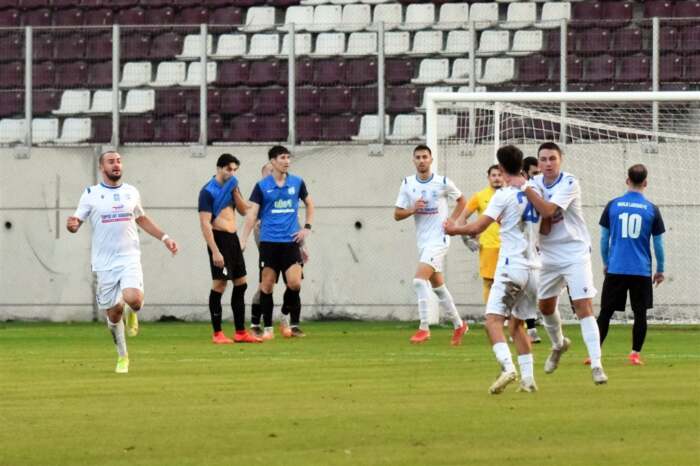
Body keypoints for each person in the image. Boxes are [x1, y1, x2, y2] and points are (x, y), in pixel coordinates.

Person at [67, 151, 178, 373]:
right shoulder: (90, 194)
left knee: (134, 299)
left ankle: (132, 311)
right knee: (113, 313)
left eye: (118, 161)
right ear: (102, 167)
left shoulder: (131, 192)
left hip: (129, 257)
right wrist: (72, 225)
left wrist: (165, 237)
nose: (116, 165)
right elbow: (76, 221)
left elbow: (141, 218)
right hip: (104, 263)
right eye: (111, 162)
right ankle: (123, 356)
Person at [510, 142, 608, 385]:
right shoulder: (534, 184)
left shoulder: (569, 182)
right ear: (538, 163)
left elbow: (547, 210)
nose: (548, 163)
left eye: (552, 158)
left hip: (574, 251)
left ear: (560, 159)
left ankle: (597, 365)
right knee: (545, 307)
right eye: (543, 159)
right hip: (547, 254)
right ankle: (558, 345)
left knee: (583, 305)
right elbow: (542, 222)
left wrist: (526, 188)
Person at [445, 145, 540, 394]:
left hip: (512, 267)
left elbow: (477, 228)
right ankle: (529, 380)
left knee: (492, 321)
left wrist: (454, 230)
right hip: (535, 269)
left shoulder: (503, 195)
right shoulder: (535, 192)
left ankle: (508, 368)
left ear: (500, 167)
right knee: (516, 325)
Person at [394, 144, 468, 345]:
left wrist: (452, 221)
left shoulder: (442, 182)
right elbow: (397, 214)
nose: (421, 160)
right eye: (418, 157)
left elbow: (462, 200)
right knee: (438, 287)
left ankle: (424, 327)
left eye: (425, 157)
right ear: (413, 160)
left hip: (439, 239)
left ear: (431, 159)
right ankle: (459, 324)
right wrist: (412, 209)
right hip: (423, 242)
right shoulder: (407, 183)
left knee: (419, 281)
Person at [240, 145, 315, 338]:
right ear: (273, 161)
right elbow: (252, 215)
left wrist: (307, 228)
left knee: (295, 284)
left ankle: (284, 315)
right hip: (269, 242)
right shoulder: (261, 186)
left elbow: (309, 203)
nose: (287, 161)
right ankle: (267, 329)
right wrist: (243, 239)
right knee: (266, 286)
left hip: (290, 242)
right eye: (282, 158)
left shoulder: (297, 182)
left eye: (288, 157)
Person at [597, 164, 665, 366]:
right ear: (645, 183)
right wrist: (660, 269)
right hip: (641, 270)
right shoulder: (652, 209)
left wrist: (606, 262)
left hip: (616, 267)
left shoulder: (612, 205)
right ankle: (635, 354)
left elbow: (604, 239)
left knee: (605, 312)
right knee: (640, 313)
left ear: (627, 180)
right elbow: (658, 244)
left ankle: (594, 353)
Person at [198, 153, 261, 344]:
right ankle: (217, 333)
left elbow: (243, 210)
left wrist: (235, 192)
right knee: (220, 284)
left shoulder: (232, 186)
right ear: (219, 168)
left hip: (233, 239)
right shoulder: (208, 191)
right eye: (228, 169)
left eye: (234, 170)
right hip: (219, 240)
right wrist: (215, 251)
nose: (232, 173)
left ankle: (240, 332)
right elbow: (205, 223)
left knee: (241, 283)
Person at [459, 165, 503, 304]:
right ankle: (490, 313)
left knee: (511, 283)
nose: (497, 178)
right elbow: (462, 218)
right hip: (488, 246)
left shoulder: (511, 194)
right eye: (493, 175)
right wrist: (466, 239)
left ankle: (511, 315)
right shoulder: (480, 196)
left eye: (500, 175)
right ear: (488, 178)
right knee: (489, 282)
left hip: (509, 247)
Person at [522, 156, 542, 344]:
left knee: (537, 289)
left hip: (540, 250)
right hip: (521, 252)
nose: (538, 176)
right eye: (535, 173)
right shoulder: (517, 194)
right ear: (525, 174)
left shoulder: (543, 192)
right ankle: (529, 328)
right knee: (523, 290)